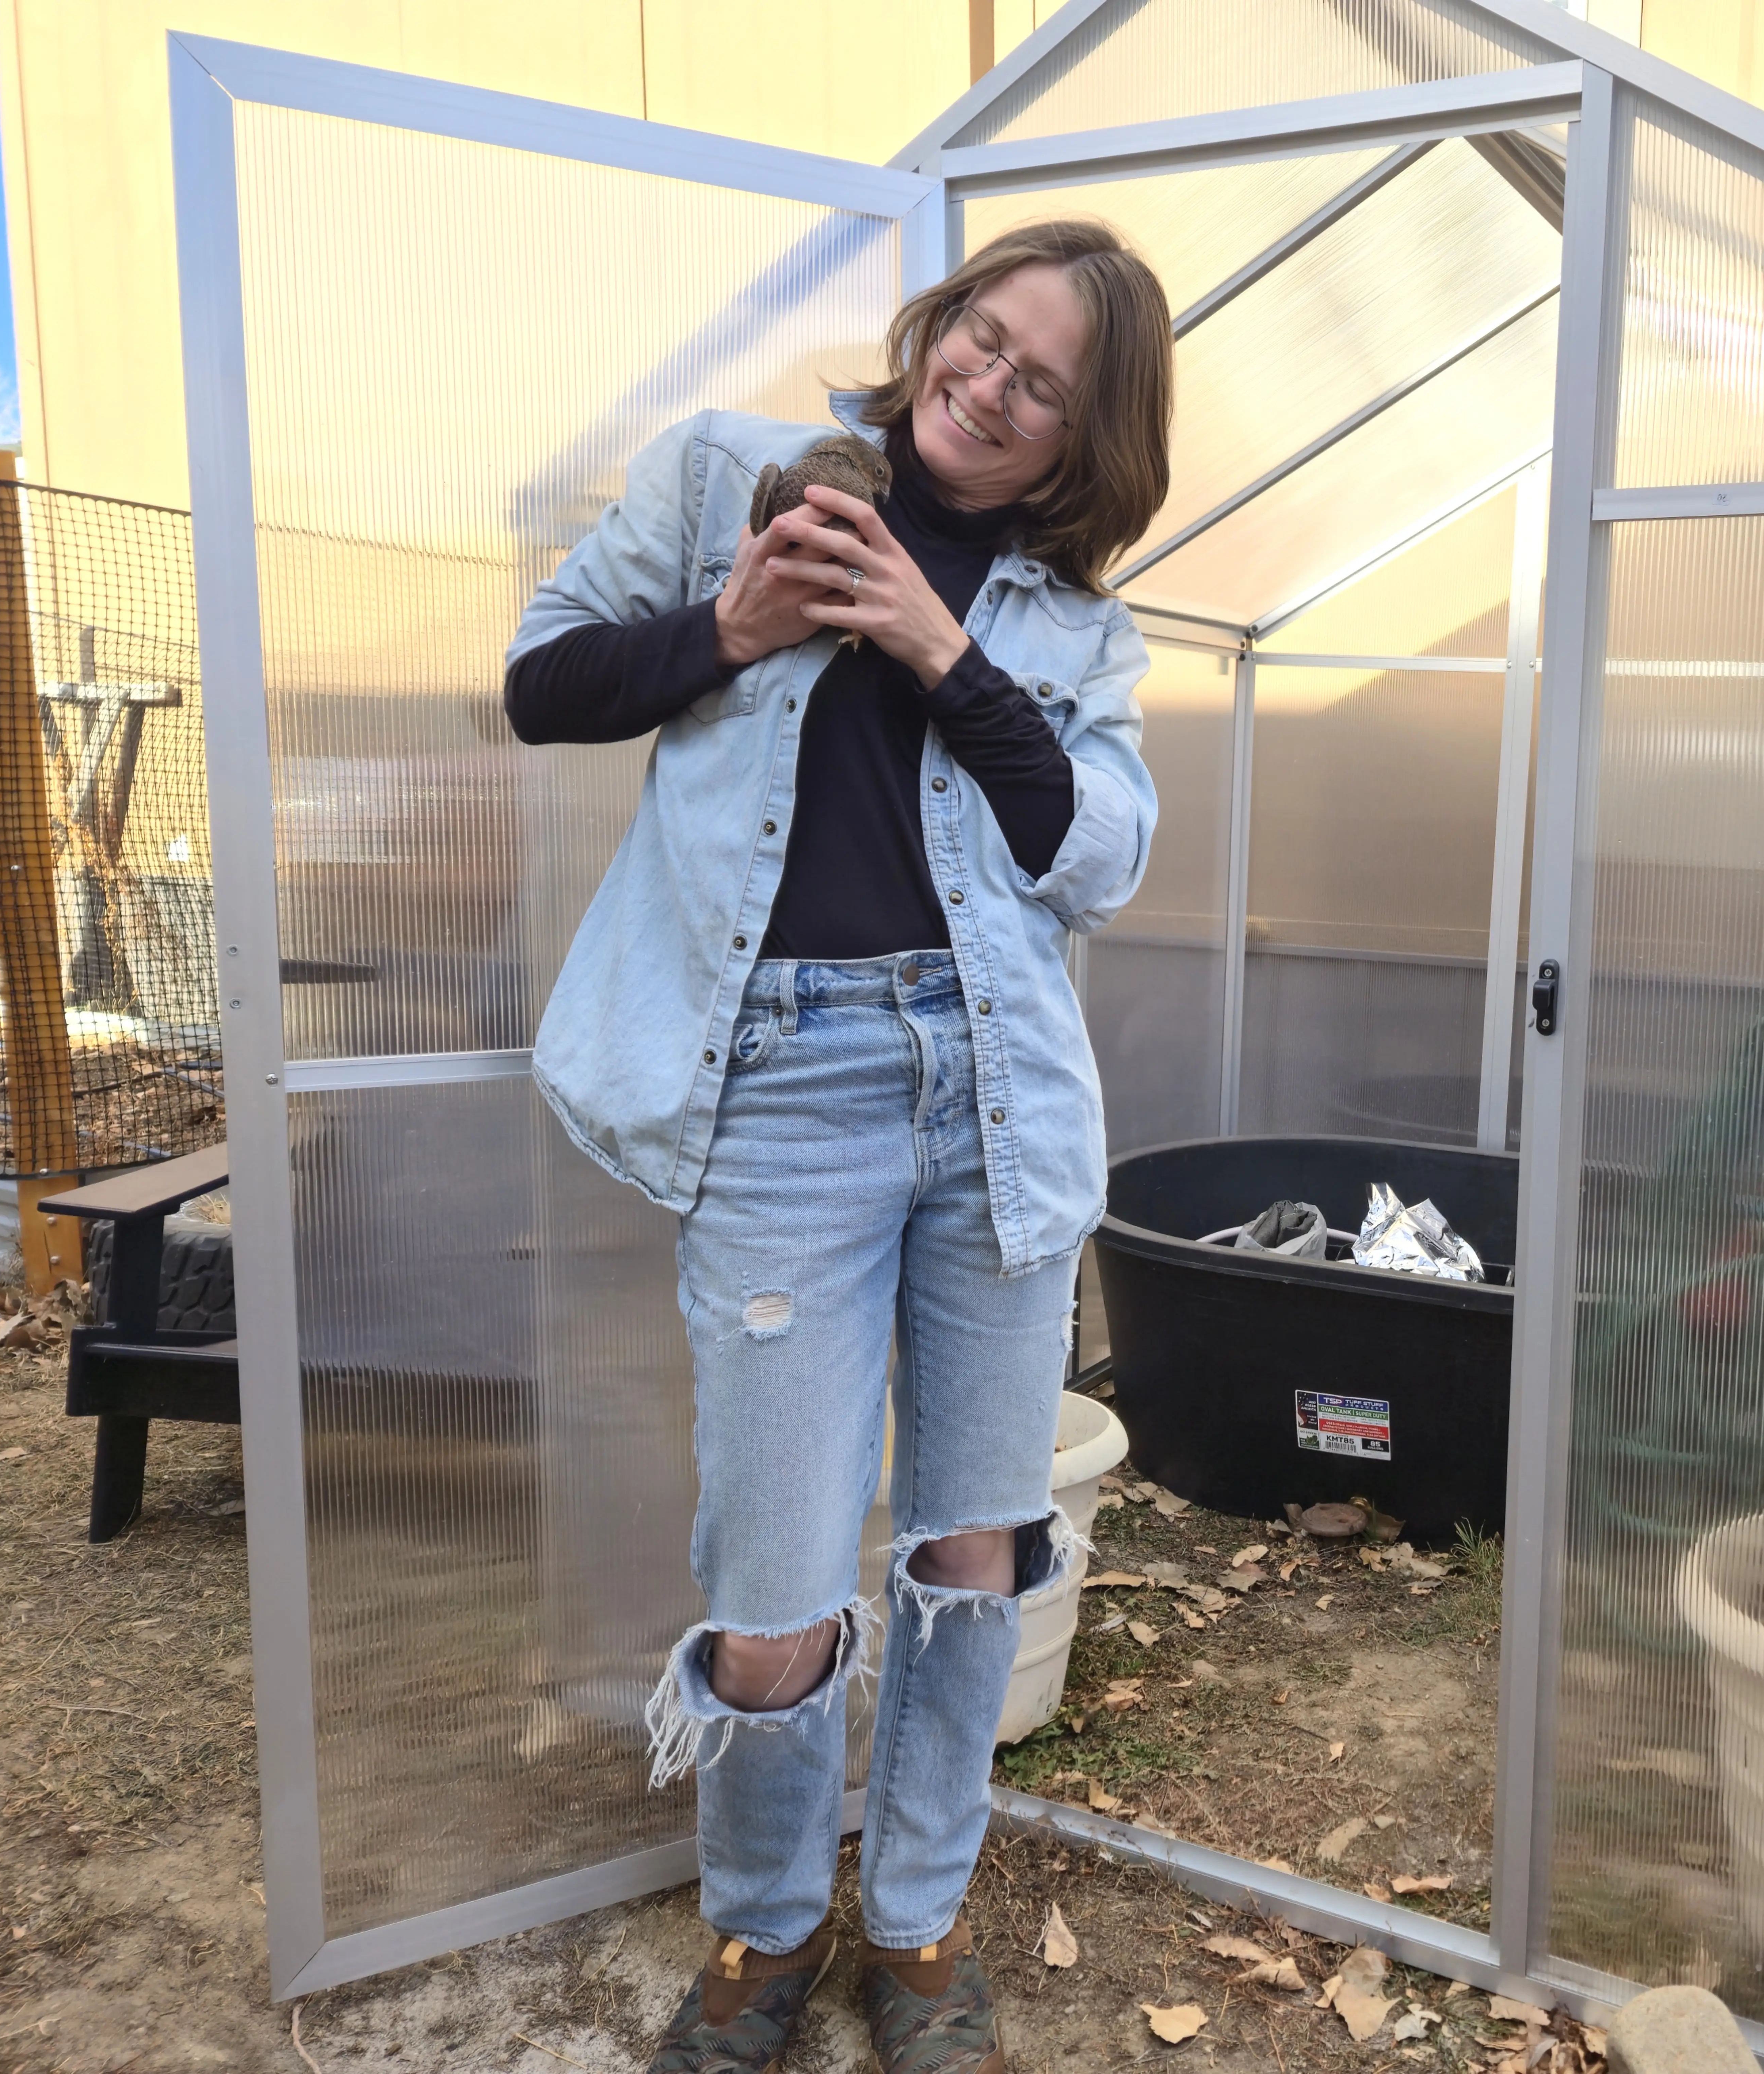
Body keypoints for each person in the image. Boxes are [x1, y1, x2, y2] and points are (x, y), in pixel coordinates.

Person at [501, 220, 1172, 2074]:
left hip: (997, 1098)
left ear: (1078, 447)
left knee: (974, 1550)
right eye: (984, 332)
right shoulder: (738, 472)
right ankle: (766, 1930)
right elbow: (543, 680)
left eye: (1044, 383)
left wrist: (946, 651)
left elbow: (1095, 858)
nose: (989, 381)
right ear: (938, 325)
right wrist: (739, 624)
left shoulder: (1070, 629)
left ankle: (921, 1922)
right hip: (786, 1086)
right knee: (778, 1579)